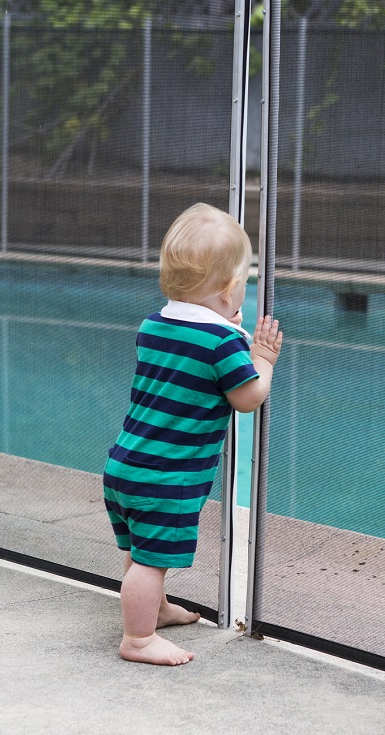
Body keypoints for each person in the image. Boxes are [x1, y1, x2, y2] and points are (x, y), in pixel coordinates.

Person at [103, 202, 283, 666]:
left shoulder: (153, 326)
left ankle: (155, 610)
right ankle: (138, 639)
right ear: (228, 291)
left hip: (126, 465)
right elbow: (247, 397)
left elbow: (190, 353)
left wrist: (230, 332)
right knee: (150, 562)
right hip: (168, 478)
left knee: (143, 549)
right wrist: (262, 358)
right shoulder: (223, 344)